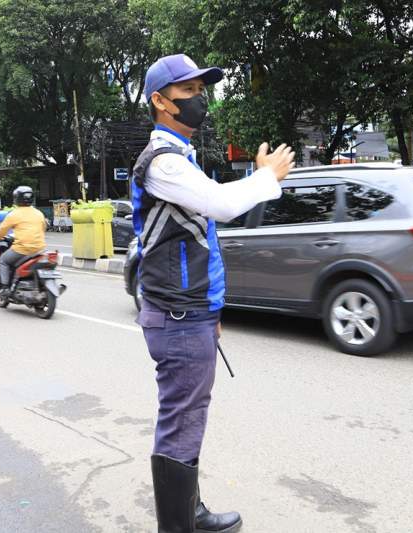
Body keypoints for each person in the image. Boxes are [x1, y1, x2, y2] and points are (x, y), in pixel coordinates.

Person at [134, 54, 295, 532]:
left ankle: (190, 512)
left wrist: (213, 311)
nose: (199, 99)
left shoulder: (181, 157)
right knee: (182, 421)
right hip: (178, 316)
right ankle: (178, 526)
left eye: (201, 90)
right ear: (160, 102)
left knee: (188, 419)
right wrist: (267, 176)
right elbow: (222, 205)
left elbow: (199, 242)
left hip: (191, 313)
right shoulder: (163, 162)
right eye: (187, 91)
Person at [0, 186, 47, 296]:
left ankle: (5, 288)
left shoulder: (14, 214)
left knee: (3, 260)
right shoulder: (39, 213)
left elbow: (2, 230)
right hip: (40, 249)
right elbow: (43, 228)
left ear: (16, 199)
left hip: (22, 249)